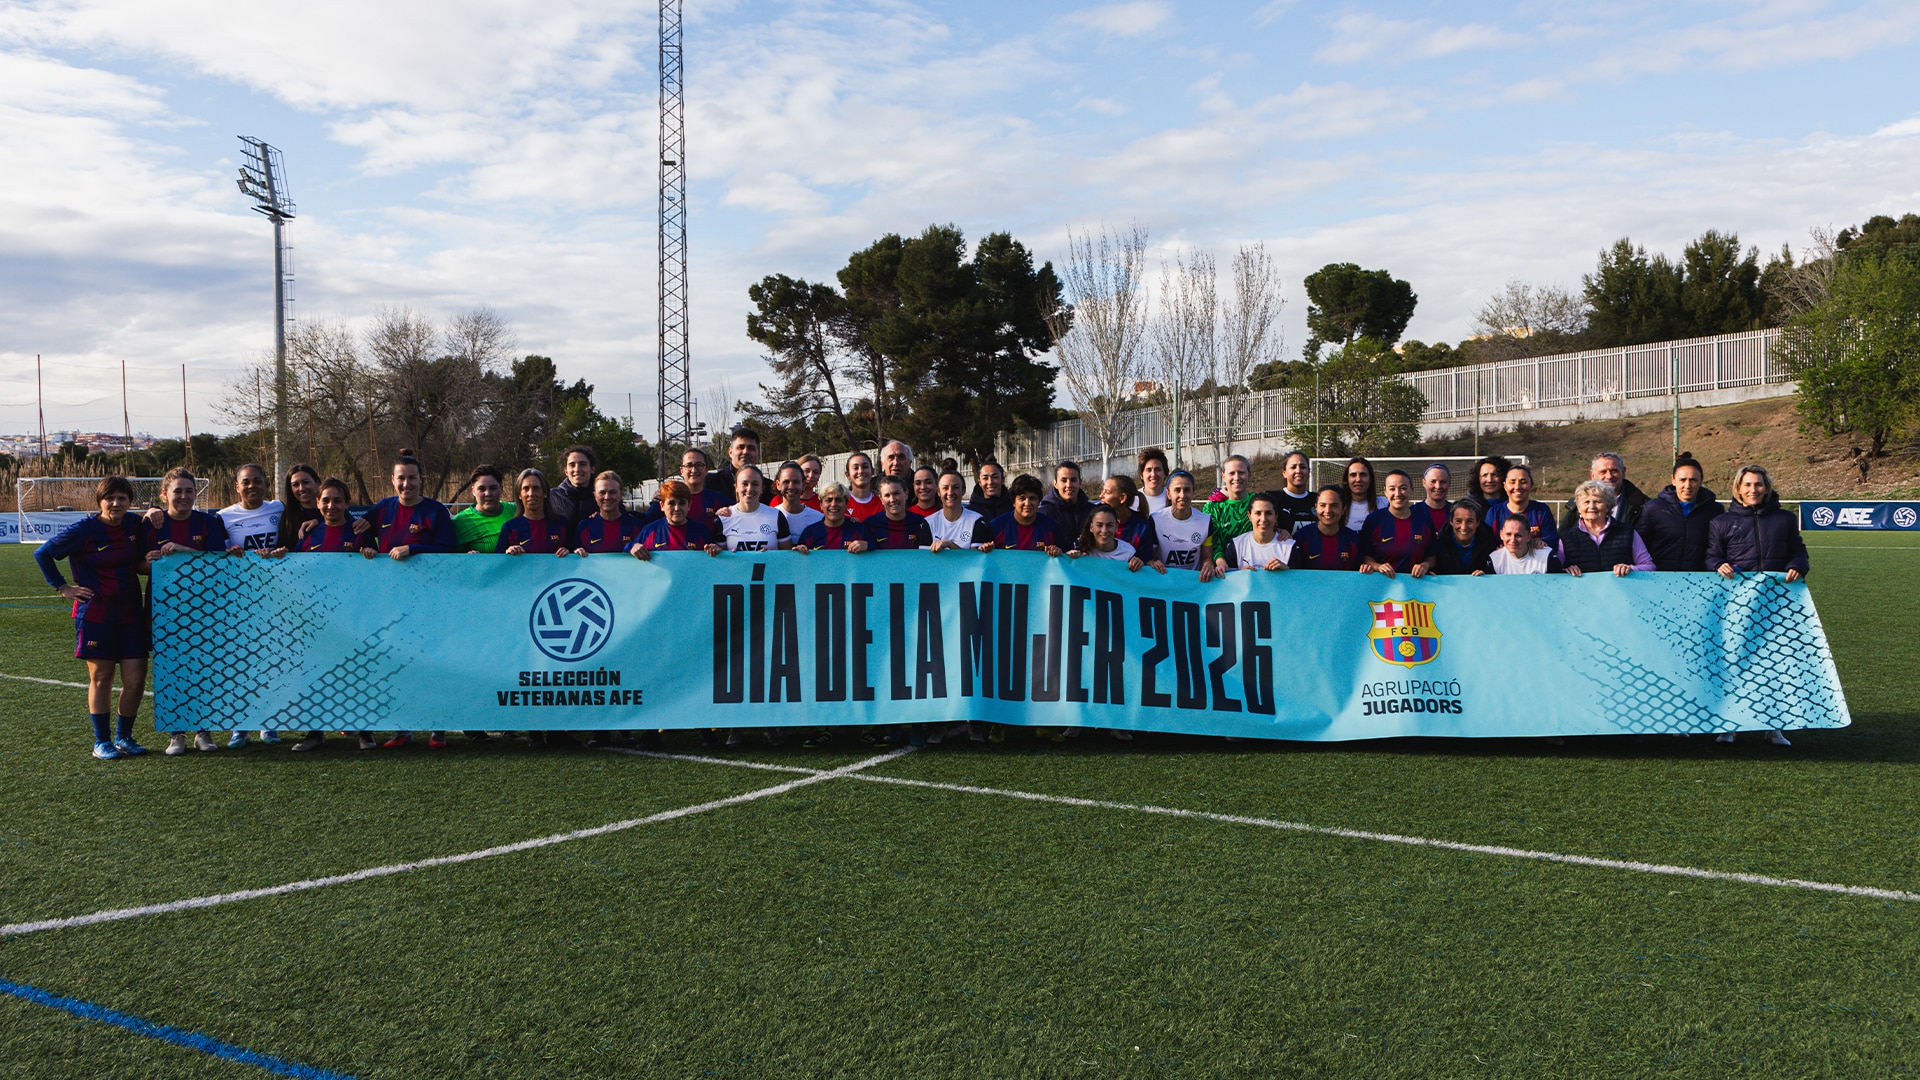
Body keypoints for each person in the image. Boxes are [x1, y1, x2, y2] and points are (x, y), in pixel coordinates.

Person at [35, 476, 157, 760]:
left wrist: (153, 510)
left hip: (129, 613)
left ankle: (124, 736)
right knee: (101, 677)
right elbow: (43, 553)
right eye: (110, 498)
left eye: (122, 498)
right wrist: (63, 587)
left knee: (136, 679)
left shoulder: (131, 525)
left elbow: (149, 518)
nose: (116, 503)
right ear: (99, 501)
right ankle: (101, 741)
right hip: (96, 614)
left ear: (129, 502)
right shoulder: (84, 530)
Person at [357, 451, 457, 749]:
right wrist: (312, 525)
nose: (406, 484)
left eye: (412, 478)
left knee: (432, 663)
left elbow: (449, 551)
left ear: (420, 480)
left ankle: (438, 729)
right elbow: (350, 531)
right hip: (390, 602)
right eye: (401, 478)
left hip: (429, 601)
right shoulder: (382, 509)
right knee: (396, 664)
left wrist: (412, 548)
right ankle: (402, 728)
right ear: (392, 480)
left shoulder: (435, 511)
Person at [272, 477, 378, 752]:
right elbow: (296, 570)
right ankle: (314, 733)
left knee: (357, 671)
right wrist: (282, 557)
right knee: (314, 671)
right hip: (315, 617)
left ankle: (365, 732)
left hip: (352, 616)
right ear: (317, 503)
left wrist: (371, 554)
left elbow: (374, 569)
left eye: (337, 500)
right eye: (326, 500)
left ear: (347, 503)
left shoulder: (358, 531)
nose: (331, 506)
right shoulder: (307, 533)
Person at [1706, 464, 1808, 746]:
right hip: (1736, 603)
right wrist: (1718, 565)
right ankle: (1729, 725)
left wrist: (1797, 564)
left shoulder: (1785, 519)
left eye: (1758, 485)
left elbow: (1798, 550)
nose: (1753, 490)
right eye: (1748, 485)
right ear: (1738, 488)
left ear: (1767, 487)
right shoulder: (1722, 522)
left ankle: (1773, 727)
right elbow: (1711, 556)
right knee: (1734, 662)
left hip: (1775, 603)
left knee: (1774, 663)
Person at [1636, 453, 1723, 572]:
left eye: (1693, 480)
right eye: (1683, 480)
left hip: (1699, 581)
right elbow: (1638, 547)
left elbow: (1718, 549)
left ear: (1701, 480)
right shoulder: (1652, 509)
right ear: (1673, 480)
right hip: (1659, 579)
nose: (1687, 485)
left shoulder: (1715, 510)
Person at [1560, 480, 1655, 577]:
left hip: (1620, 591)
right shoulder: (1566, 537)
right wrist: (1565, 571)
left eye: (1598, 502)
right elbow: (1554, 570)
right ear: (1579, 508)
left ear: (1608, 506)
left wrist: (1630, 569)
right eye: (1586, 502)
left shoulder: (1627, 532)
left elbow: (1649, 566)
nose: (1591, 506)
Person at [1358, 470, 1437, 578]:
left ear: (1411, 490)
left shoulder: (1424, 521)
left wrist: (1425, 565)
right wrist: (1378, 566)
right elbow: (1366, 556)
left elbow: (1432, 558)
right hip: (1383, 588)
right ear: (1385, 492)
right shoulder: (1374, 521)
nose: (1398, 494)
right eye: (1392, 489)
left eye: (1403, 488)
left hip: (1416, 588)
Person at [1151, 471, 1221, 580]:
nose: (1182, 495)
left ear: (1193, 492)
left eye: (1187, 490)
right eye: (1177, 490)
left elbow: (1206, 557)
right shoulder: (1155, 520)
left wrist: (1208, 565)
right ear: (1168, 494)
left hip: (1192, 585)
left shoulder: (1205, 521)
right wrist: (1152, 562)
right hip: (1163, 581)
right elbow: (1150, 557)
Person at [1560, 452, 1649, 533]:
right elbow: (1562, 537)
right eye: (1603, 472)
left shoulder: (1643, 505)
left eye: (1614, 471)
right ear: (1592, 475)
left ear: (1623, 472)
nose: (1609, 476)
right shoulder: (1577, 505)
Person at [711, 466, 792, 551]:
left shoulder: (776, 516)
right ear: (736, 487)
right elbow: (721, 559)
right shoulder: (724, 519)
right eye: (744, 484)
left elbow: (787, 556)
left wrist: (769, 557)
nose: (749, 489)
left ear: (762, 489)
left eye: (755, 484)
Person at [981, 474, 1065, 555]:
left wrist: (1058, 552)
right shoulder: (996, 527)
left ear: (1039, 501)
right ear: (1013, 502)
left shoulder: (1052, 527)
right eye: (1022, 498)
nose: (1027, 503)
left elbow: (1064, 559)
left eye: (1032, 498)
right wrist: (986, 549)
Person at [1484, 462, 1558, 551]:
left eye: (1523, 482)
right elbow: (1486, 545)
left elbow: (1552, 542)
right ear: (1505, 486)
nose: (1517, 487)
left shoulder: (1542, 511)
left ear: (1531, 485)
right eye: (1512, 482)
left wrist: (1541, 544)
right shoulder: (1494, 513)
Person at [497, 469, 573, 555]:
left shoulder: (561, 524)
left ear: (545, 493)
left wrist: (569, 553)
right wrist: (507, 554)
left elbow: (576, 559)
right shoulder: (509, 528)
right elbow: (499, 564)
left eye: (536, 488)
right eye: (526, 489)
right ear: (519, 495)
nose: (531, 493)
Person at [1288, 486, 1364, 571]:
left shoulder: (1353, 540)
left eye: (1334, 506)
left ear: (1343, 509)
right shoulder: (1301, 538)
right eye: (1323, 505)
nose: (1327, 510)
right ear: (1316, 507)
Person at [575, 471, 648, 556]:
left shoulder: (637, 525)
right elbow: (574, 561)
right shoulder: (584, 527)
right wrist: (576, 553)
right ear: (595, 495)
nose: (607, 497)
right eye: (602, 493)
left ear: (621, 494)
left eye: (612, 492)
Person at [636, 478, 714, 555]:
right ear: (662, 506)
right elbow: (630, 554)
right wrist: (631, 547)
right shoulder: (649, 531)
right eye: (671, 503)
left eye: (682, 503)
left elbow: (714, 562)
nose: (677, 509)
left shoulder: (702, 532)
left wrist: (715, 550)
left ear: (689, 505)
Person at [1098, 475, 1162, 566]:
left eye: (1107, 492)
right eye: (1102, 491)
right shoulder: (1095, 519)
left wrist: (1141, 562)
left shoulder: (1142, 527)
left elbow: (1146, 562)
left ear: (1122, 498)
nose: (1101, 496)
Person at [452, 465, 515, 554]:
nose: (488, 493)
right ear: (473, 491)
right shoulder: (460, 522)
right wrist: (466, 558)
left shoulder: (515, 511)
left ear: (501, 488)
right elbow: (451, 559)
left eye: (493, 488)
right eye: (482, 489)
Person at [861, 476, 933, 551]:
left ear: (906, 493)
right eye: (887, 495)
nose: (892, 499)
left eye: (896, 493)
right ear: (881, 499)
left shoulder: (920, 523)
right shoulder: (871, 524)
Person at [1225, 494, 1294, 571]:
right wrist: (1240, 575)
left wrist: (1287, 571)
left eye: (1268, 513)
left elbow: (1299, 579)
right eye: (1258, 513)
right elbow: (1227, 579)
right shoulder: (1236, 545)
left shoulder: (1290, 547)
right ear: (1249, 516)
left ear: (1276, 516)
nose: (1263, 519)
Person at [927, 470, 991, 551]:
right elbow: (925, 560)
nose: (950, 492)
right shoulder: (929, 522)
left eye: (955, 487)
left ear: (963, 490)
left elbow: (975, 559)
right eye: (945, 488)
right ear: (939, 492)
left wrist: (950, 544)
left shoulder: (976, 520)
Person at [1071, 504, 1149, 571]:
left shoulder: (1128, 553)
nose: (1104, 530)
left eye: (1109, 525)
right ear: (1091, 527)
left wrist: (1139, 565)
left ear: (1116, 527)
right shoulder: (1079, 545)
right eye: (1099, 525)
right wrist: (1068, 557)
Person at [794, 483, 868, 552]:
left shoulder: (859, 529)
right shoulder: (810, 532)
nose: (833, 504)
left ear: (846, 504)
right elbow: (800, 561)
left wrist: (867, 546)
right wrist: (800, 551)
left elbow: (876, 550)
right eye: (828, 500)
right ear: (821, 505)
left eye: (838, 500)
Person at [1479, 515, 1564, 575]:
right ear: (1501, 535)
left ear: (1528, 537)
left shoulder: (1547, 556)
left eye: (1518, 535)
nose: (1512, 540)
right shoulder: (1494, 559)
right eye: (1508, 534)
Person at [1431, 503, 1498, 576]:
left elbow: (1495, 574)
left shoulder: (1490, 544)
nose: (1463, 527)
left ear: (1478, 522)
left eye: (1469, 521)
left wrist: (1487, 575)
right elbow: (1432, 569)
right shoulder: (1438, 543)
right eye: (1458, 521)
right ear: (1451, 521)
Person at [1040, 460, 1095, 543]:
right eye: (1064, 480)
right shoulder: (1044, 513)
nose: (1069, 485)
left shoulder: (1092, 511)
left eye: (1073, 480)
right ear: (1055, 484)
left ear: (1080, 482)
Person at [548, 445, 599, 536]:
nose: (577, 469)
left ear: (592, 469)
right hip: (562, 550)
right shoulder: (552, 497)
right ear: (566, 471)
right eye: (572, 465)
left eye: (582, 464)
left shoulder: (605, 497)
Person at [1206, 455, 1256, 545]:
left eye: (1241, 473)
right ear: (1223, 476)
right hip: (1223, 559)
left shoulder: (1258, 502)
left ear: (1249, 475)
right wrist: (1220, 558)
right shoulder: (1213, 507)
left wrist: (1282, 531)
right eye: (1232, 473)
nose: (1236, 478)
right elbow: (1212, 543)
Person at [274, 463, 321, 552]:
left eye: (306, 482)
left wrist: (320, 521)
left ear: (317, 483)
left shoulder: (333, 510)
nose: (301, 488)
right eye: (295, 485)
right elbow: (283, 548)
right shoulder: (288, 517)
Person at [1265, 451, 1316, 532]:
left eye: (1303, 467)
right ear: (1284, 473)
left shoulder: (1317, 500)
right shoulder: (1272, 498)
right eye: (1293, 467)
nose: (1298, 471)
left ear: (1309, 472)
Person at [771, 461, 824, 537]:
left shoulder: (818, 519)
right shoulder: (770, 517)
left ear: (803, 485)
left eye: (796, 482)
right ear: (778, 485)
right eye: (786, 482)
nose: (791, 486)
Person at [1456, 455, 1512, 522]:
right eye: (1484, 475)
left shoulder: (1513, 504)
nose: (1489, 480)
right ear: (1478, 479)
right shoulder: (1467, 506)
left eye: (1494, 475)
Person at [710, 425, 761, 495]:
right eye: (740, 447)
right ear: (730, 452)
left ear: (758, 453)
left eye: (751, 448)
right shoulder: (711, 483)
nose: (745, 452)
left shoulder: (769, 488)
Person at [1343, 457, 1384, 530]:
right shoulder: (1338, 506)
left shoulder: (1384, 504)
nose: (1358, 479)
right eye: (1353, 475)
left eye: (1363, 475)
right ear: (1347, 479)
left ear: (1370, 478)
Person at [843, 451, 884, 522]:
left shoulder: (883, 501)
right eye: (855, 468)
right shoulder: (841, 502)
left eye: (865, 467)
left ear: (872, 471)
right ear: (848, 475)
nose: (860, 471)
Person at [1418, 464, 1453, 536]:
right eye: (1433, 481)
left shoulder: (1455, 512)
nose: (1438, 486)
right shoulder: (1413, 513)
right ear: (1424, 483)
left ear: (1449, 483)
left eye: (1443, 482)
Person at [1137, 448, 1171, 514]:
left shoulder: (1172, 498)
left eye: (1158, 469)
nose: (1153, 474)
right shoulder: (1133, 499)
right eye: (1148, 470)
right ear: (1141, 475)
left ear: (1165, 473)